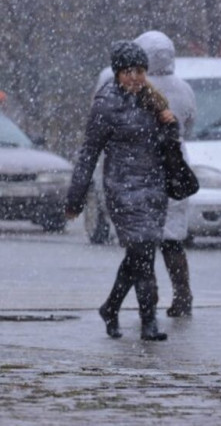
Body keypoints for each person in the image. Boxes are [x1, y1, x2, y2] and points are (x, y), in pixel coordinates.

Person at [67, 41, 177, 341]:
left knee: (139, 255)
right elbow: (89, 152)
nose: (135, 77)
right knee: (142, 254)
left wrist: (169, 124)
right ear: (117, 73)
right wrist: (75, 197)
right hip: (122, 189)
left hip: (153, 189)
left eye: (140, 71)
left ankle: (111, 307)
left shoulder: (154, 100)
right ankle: (148, 321)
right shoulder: (105, 104)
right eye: (128, 71)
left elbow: (168, 145)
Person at [133, 31, 196, 317]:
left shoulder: (132, 87)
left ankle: (149, 298)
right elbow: (189, 126)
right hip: (175, 168)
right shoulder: (183, 89)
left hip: (141, 168)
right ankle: (182, 294)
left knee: (142, 241)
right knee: (173, 239)